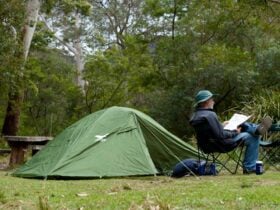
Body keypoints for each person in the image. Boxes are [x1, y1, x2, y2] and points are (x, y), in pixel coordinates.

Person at [189, 90, 272, 174]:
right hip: (222, 144)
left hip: (207, 145)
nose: (213, 101)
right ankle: (249, 167)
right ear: (206, 101)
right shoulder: (210, 115)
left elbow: (210, 132)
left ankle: (255, 129)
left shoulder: (196, 115)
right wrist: (235, 132)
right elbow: (220, 135)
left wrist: (222, 125)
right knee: (252, 137)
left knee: (239, 125)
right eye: (212, 99)